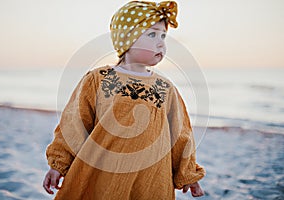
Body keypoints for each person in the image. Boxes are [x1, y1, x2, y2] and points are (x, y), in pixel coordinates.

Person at [43, 1, 205, 199]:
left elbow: (181, 134)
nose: (161, 42)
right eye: (152, 34)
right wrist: (58, 165)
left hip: (151, 178)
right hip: (103, 173)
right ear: (128, 38)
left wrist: (189, 175)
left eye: (163, 36)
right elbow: (74, 123)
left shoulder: (165, 88)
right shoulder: (98, 79)